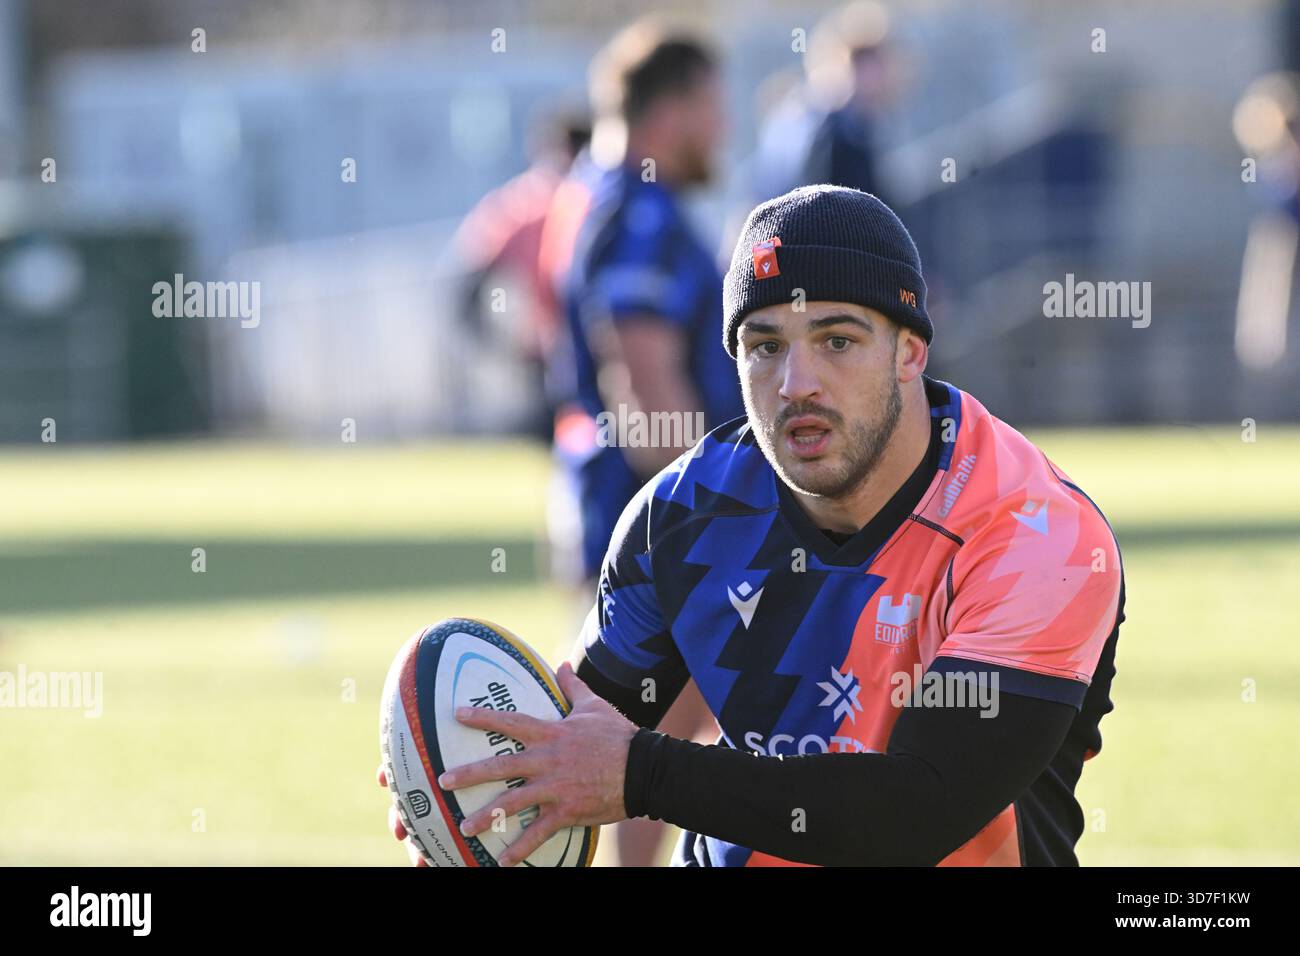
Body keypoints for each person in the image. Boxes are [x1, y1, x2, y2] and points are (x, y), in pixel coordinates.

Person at [383, 184, 1126, 867]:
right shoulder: (683, 518)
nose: (796, 384)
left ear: (910, 350)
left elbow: (920, 811)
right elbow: (582, 732)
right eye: (766, 346)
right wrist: (474, 785)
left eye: (837, 340)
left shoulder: (1037, 537)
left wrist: (641, 774)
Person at [540, 19, 745, 865]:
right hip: (655, 521)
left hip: (607, 497)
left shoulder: (590, 193)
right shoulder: (644, 212)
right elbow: (643, 382)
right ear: (677, 109)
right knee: (638, 746)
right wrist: (733, 512)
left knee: (648, 739)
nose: (724, 129)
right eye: (714, 106)